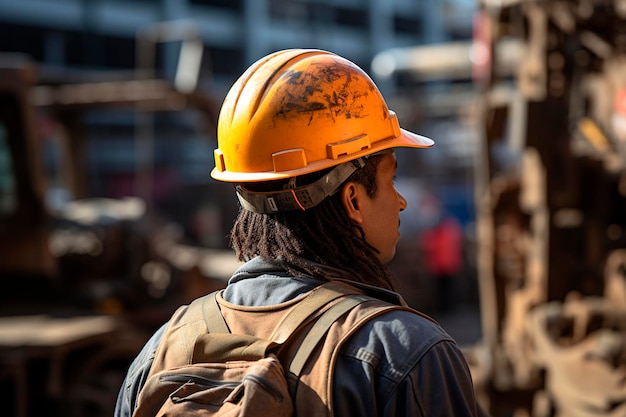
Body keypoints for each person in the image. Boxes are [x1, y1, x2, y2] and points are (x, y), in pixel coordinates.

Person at [115, 49, 485, 417]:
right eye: (391, 180)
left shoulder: (161, 351)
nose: (401, 201)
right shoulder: (405, 354)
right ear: (353, 199)